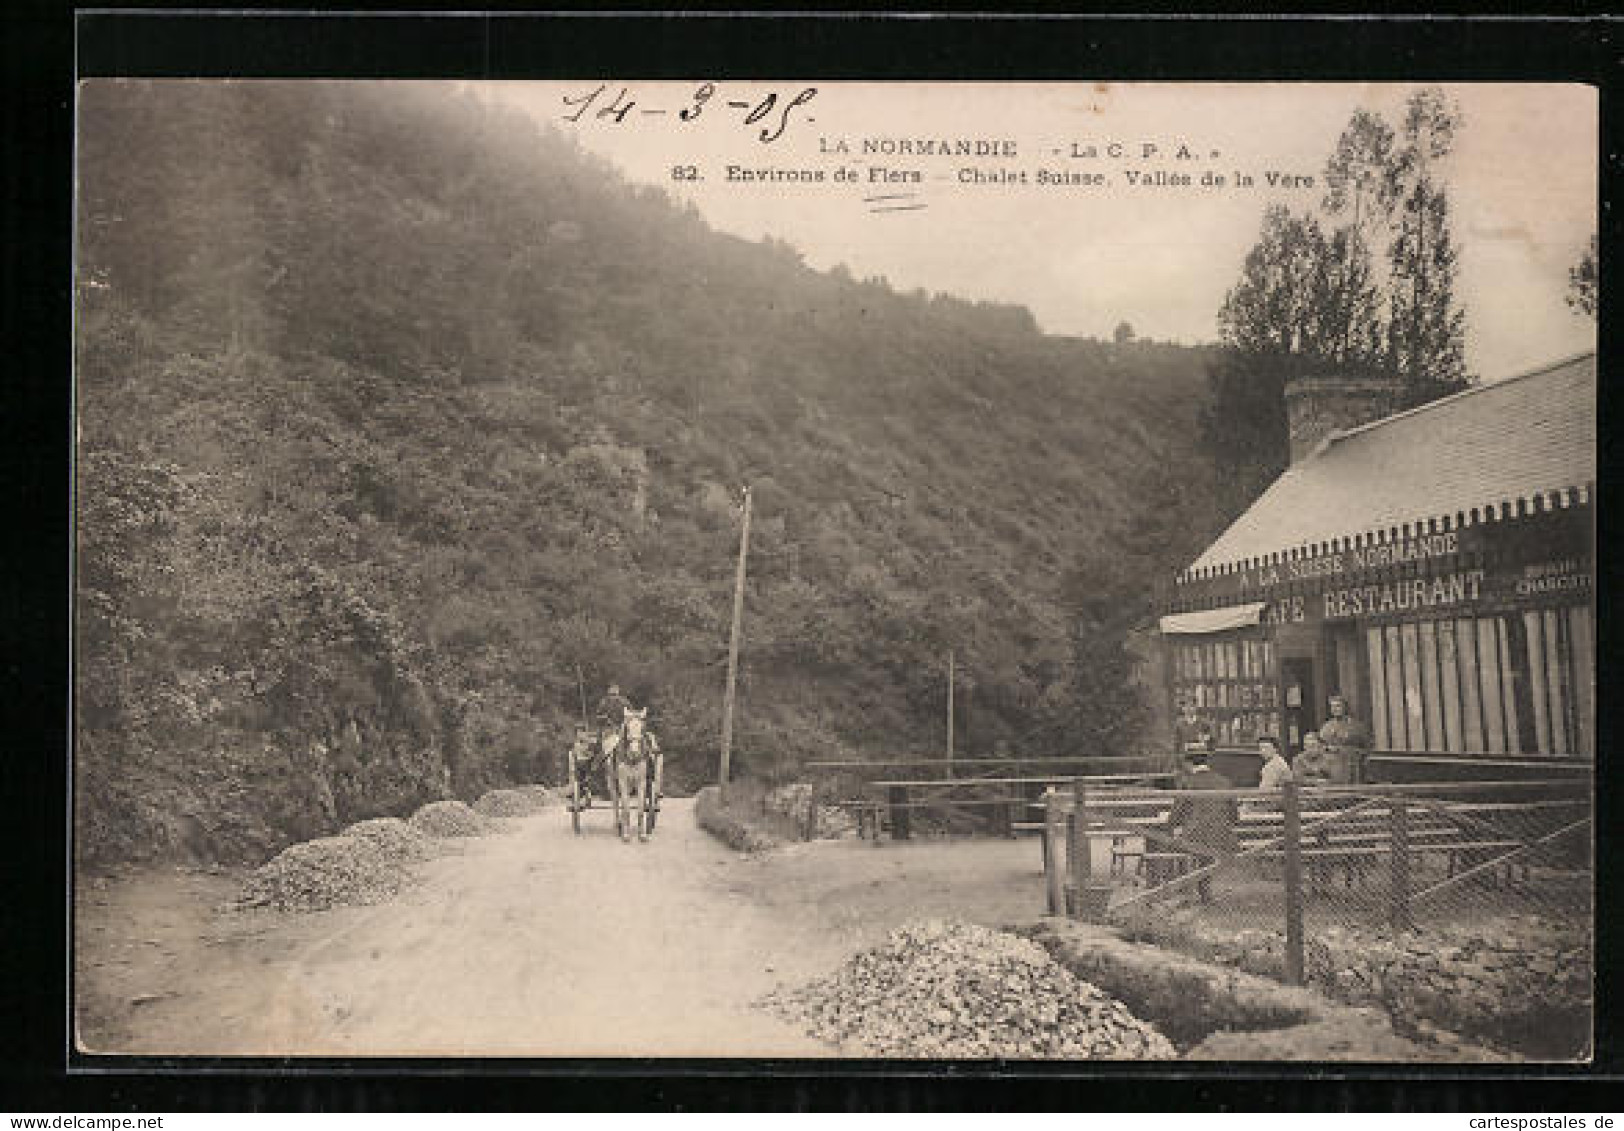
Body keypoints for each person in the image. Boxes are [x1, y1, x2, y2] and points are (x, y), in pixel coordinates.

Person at [1164, 749, 1239, 904]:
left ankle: (1179, 890)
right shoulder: (1224, 781)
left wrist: (1170, 823)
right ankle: (1203, 891)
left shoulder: (1188, 782)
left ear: (1188, 763)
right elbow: (1234, 815)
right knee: (1203, 850)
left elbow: (1177, 812)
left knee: (1170, 843)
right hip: (1221, 835)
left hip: (1195, 835)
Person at [1318, 693, 1373, 783]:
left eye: (1338, 706)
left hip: (1352, 765)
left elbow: (1367, 746)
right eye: (1333, 707)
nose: (1335, 709)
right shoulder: (1326, 727)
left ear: (1344, 707)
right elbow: (1321, 746)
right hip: (1333, 765)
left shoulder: (1356, 726)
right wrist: (1328, 749)